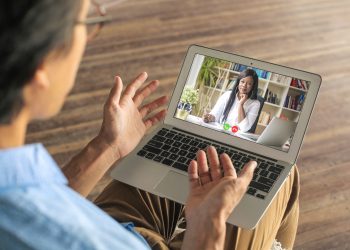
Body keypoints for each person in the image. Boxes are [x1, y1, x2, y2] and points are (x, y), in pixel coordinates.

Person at [0, 1, 300, 249]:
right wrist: (208, 225)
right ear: (41, 69)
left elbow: (42, 206)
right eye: (84, 22)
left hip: (110, 224)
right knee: (280, 175)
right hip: (123, 238)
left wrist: (108, 145)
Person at [203, 69, 261, 133]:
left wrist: (241, 104)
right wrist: (209, 117)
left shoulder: (255, 104)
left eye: (249, 84)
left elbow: (244, 128)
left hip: (236, 137)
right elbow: (215, 115)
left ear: (253, 87)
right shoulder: (227, 95)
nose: (244, 85)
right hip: (220, 132)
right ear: (238, 82)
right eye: (242, 81)